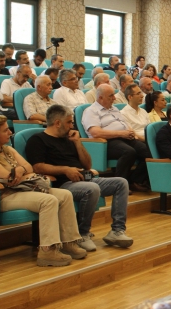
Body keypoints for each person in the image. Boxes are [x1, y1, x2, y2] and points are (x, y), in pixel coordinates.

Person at [0, 114, 85, 266]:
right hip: (3, 197)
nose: (10, 132)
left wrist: (20, 170)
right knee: (48, 200)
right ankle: (47, 251)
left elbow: (29, 167)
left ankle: (68, 243)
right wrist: (20, 171)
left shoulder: (7, 149)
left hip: (22, 191)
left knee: (65, 195)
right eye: (5, 130)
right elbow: (10, 178)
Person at [26, 104, 133, 251]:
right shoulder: (37, 140)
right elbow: (37, 167)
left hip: (84, 179)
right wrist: (65, 170)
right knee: (92, 188)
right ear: (57, 123)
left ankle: (117, 231)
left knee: (121, 183)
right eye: (69, 122)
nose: (72, 126)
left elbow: (87, 164)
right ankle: (82, 234)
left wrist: (77, 142)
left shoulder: (69, 139)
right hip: (62, 184)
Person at [82, 84, 151, 192]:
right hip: (106, 142)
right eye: (111, 96)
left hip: (125, 137)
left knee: (149, 152)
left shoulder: (114, 108)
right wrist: (120, 133)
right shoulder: (91, 111)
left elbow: (124, 124)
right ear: (100, 97)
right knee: (129, 152)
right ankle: (119, 186)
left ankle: (134, 180)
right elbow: (95, 133)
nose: (114, 98)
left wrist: (130, 131)